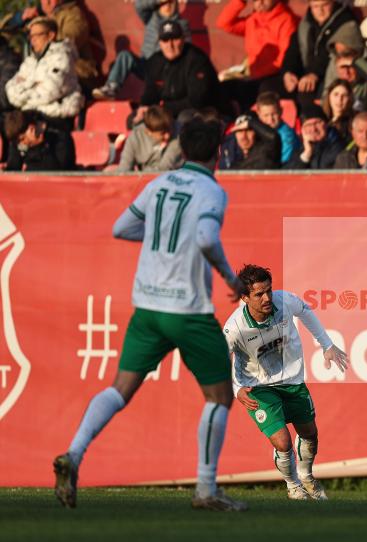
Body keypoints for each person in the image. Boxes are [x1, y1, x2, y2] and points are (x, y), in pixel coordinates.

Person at [53, 114, 249, 512]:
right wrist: (231, 277)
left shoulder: (158, 183)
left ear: (182, 147)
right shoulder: (211, 190)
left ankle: (73, 454)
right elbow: (207, 237)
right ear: (217, 153)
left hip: (147, 306)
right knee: (219, 397)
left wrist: (162, 235)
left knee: (119, 389)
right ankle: (206, 489)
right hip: (188, 310)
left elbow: (120, 228)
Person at [225, 265, 348, 501]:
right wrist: (236, 389)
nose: (267, 298)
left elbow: (306, 310)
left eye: (268, 290)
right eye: (259, 294)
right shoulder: (234, 328)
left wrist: (327, 345)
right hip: (257, 387)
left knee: (310, 433)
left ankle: (307, 478)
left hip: (292, 380)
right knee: (283, 441)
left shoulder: (284, 301)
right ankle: (293, 485)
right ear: (244, 297)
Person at [93, 0, 190, 100]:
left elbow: (187, 50)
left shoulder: (182, 25)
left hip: (166, 70)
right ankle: (111, 88)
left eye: (170, 2)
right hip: (147, 65)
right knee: (125, 56)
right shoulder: (151, 18)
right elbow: (139, 5)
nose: (167, 6)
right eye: (163, 3)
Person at [216, 0, 299, 113]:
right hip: (255, 76)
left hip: (277, 76)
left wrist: (261, 72)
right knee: (224, 88)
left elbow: (287, 56)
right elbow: (224, 23)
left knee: (262, 90)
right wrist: (240, 1)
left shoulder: (286, 19)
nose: (260, 2)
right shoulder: (253, 19)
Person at [5, 17, 83, 131]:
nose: (32, 40)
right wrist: (35, 85)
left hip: (57, 119)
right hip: (32, 115)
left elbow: (49, 92)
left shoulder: (62, 57)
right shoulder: (30, 60)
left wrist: (24, 89)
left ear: (51, 35)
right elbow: (10, 90)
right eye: (31, 36)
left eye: (37, 35)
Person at [281, 0, 361, 109]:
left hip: (330, 76)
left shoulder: (345, 22)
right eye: (315, 7)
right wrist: (288, 72)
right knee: (269, 88)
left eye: (325, 5)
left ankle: (314, 124)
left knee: (306, 95)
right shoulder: (306, 23)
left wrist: (314, 74)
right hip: (305, 74)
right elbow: (294, 49)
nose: (320, 11)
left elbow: (333, 54)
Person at [139, 21, 219, 122]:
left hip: (206, 112)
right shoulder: (155, 61)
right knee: (135, 118)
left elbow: (197, 100)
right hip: (166, 111)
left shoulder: (197, 59)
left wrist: (164, 108)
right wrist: (144, 107)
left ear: (183, 39)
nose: (170, 45)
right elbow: (150, 93)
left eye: (175, 39)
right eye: (165, 40)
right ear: (159, 43)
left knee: (184, 119)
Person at [116, 105, 183, 172]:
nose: (167, 136)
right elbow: (124, 168)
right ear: (148, 132)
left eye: (169, 130)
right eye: (162, 133)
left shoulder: (177, 134)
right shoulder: (136, 137)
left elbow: (164, 168)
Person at [3, 109, 74, 171]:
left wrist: (38, 147)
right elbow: (13, 169)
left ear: (31, 129)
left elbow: (61, 172)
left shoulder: (60, 134)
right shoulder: (18, 140)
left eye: (22, 139)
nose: (21, 144)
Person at [285, 104, 343, 169]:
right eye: (308, 125)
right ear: (302, 130)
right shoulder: (298, 149)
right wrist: (306, 154)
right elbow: (286, 175)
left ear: (326, 125)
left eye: (317, 123)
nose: (313, 129)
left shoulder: (338, 146)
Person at [255, 90, 299, 165]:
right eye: (266, 115)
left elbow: (283, 162)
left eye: (274, 114)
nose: (270, 119)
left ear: (281, 111)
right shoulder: (257, 129)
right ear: (258, 114)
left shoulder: (287, 135)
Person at [322, 78, 356, 145]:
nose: (339, 99)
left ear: (350, 99)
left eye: (344, 95)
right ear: (329, 96)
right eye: (336, 94)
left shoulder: (353, 123)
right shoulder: (322, 118)